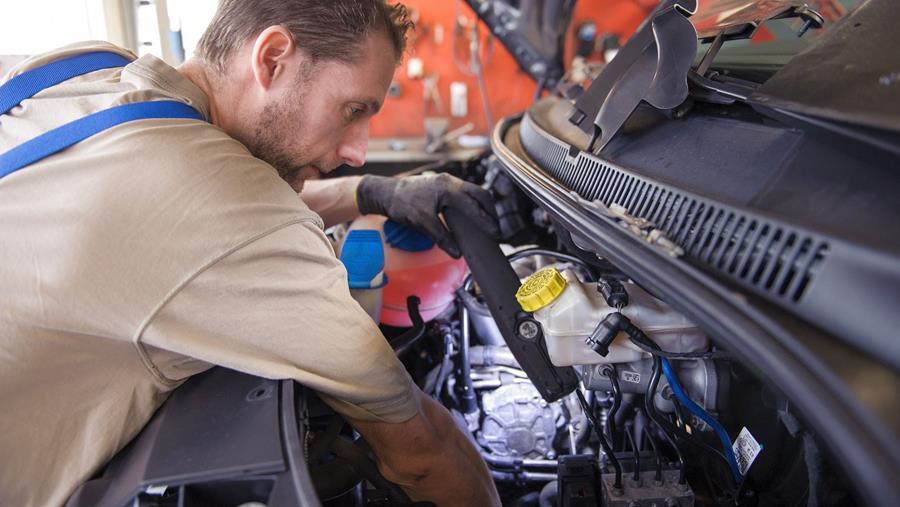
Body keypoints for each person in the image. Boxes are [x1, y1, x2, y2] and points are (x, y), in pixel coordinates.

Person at [0, 1, 502, 506]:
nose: (358, 151)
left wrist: (370, 193)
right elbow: (421, 456)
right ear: (273, 58)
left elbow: (201, 205)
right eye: (353, 110)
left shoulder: (78, 70)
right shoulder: (227, 211)